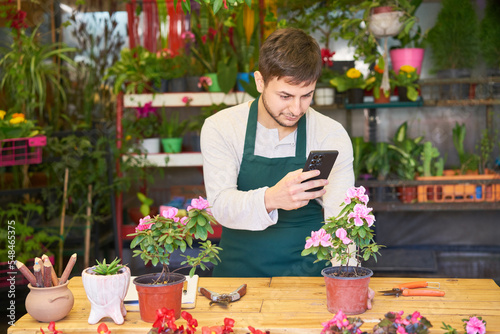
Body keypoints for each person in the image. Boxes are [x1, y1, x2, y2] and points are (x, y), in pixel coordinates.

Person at [201, 28, 353, 277]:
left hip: (308, 278)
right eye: (285, 95)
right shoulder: (222, 127)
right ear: (260, 82)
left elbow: (342, 220)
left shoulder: (330, 134)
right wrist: (272, 198)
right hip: (237, 279)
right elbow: (220, 206)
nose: (296, 108)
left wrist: (348, 282)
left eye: (307, 95)